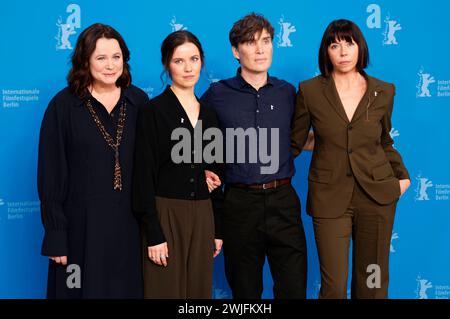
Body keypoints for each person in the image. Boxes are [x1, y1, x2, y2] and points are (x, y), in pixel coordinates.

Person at [291, 19, 410, 299]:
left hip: (377, 195)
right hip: (329, 197)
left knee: (373, 282)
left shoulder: (384, 90)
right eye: (335, 45)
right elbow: (294, 142)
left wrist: (402, 179)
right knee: (333, 286)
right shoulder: (310, 91)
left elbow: (384, 141)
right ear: (326, 52)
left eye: (349, 43)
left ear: (360, 48)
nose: (343, 52)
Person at [201, 13, 311, 299]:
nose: (260, 49)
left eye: (266, 41)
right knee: (245, 292)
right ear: (236, 51)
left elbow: (301, 140)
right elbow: (194, 142)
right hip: (239, 205)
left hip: (283, 201)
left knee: (294, 289)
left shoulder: (288, 92)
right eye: (250, 42)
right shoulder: (216, 94)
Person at [38, 23, 148, 298]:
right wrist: (56, 236)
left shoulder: (139, 102)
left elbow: (153, 164)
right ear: (85, 61)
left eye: (116, 57)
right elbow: (51, 176)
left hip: (129, 232)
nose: (110, 66)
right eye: (101, 58)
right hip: (79, 233)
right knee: (76, 292)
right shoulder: (63, 107)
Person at [132, 30, 223, 299]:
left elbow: (215, 174)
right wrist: (154, 233)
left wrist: (217, 229)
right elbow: (143, 176)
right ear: (166, 65)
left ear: (202, 62)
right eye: (179, 61)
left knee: (198, 295)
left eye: (194, 59)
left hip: (203, 214)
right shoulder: (153, 111)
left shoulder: (209, 113)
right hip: (165, 213)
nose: (188, 68)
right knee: (164, 291)